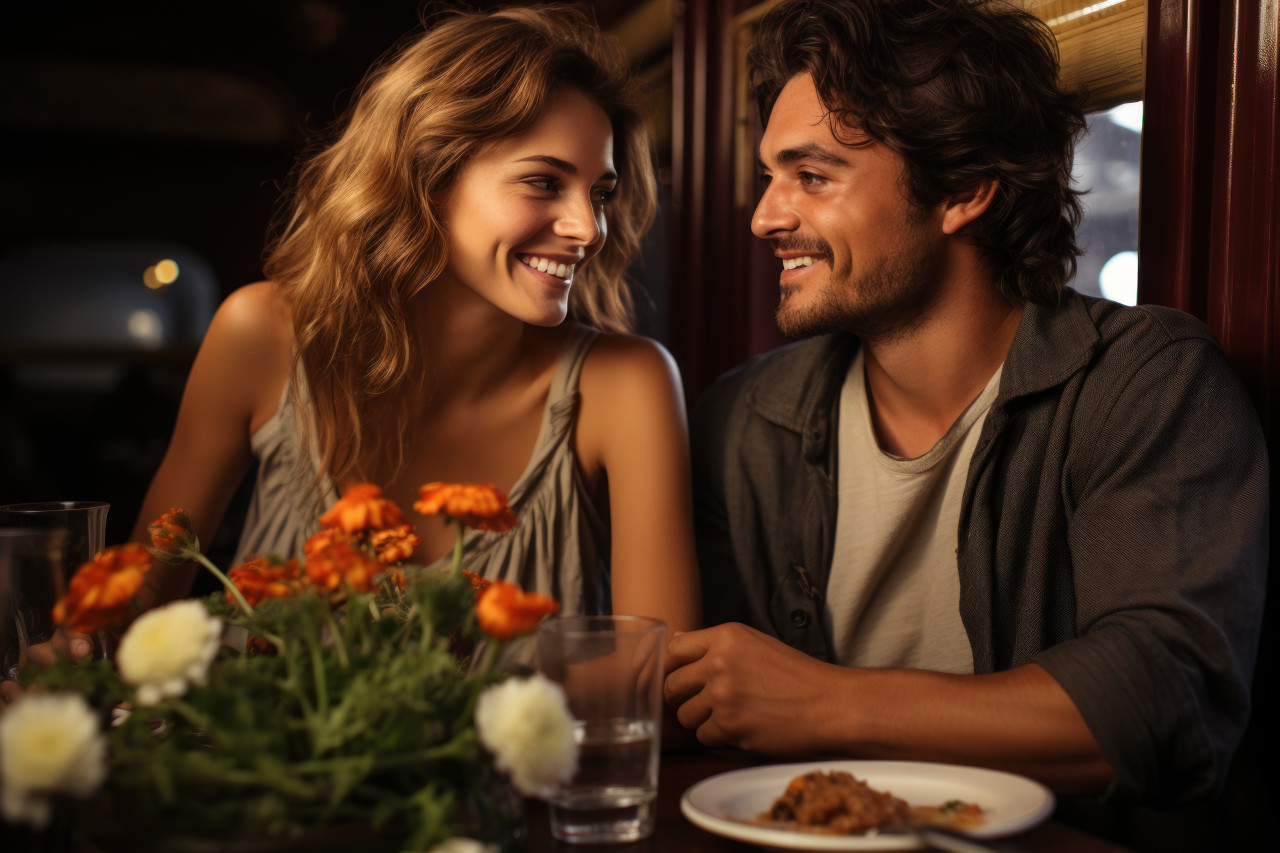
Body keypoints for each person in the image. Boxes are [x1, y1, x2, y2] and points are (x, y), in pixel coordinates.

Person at [663, 0, 1268, 834]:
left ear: (963, 188)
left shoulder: (1146, 381)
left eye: (811, 175)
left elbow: (1164, 704)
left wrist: (824, 702)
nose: (765, 215)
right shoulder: (742, 420)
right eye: (769, 176)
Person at [128, 5, 700, 636]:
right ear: (426, 177)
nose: (589, 229)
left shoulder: (627, 384)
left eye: (600, 193)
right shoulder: (260, 335)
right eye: (542, 182)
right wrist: (70, 658)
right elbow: (128, 615)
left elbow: (661, 686)